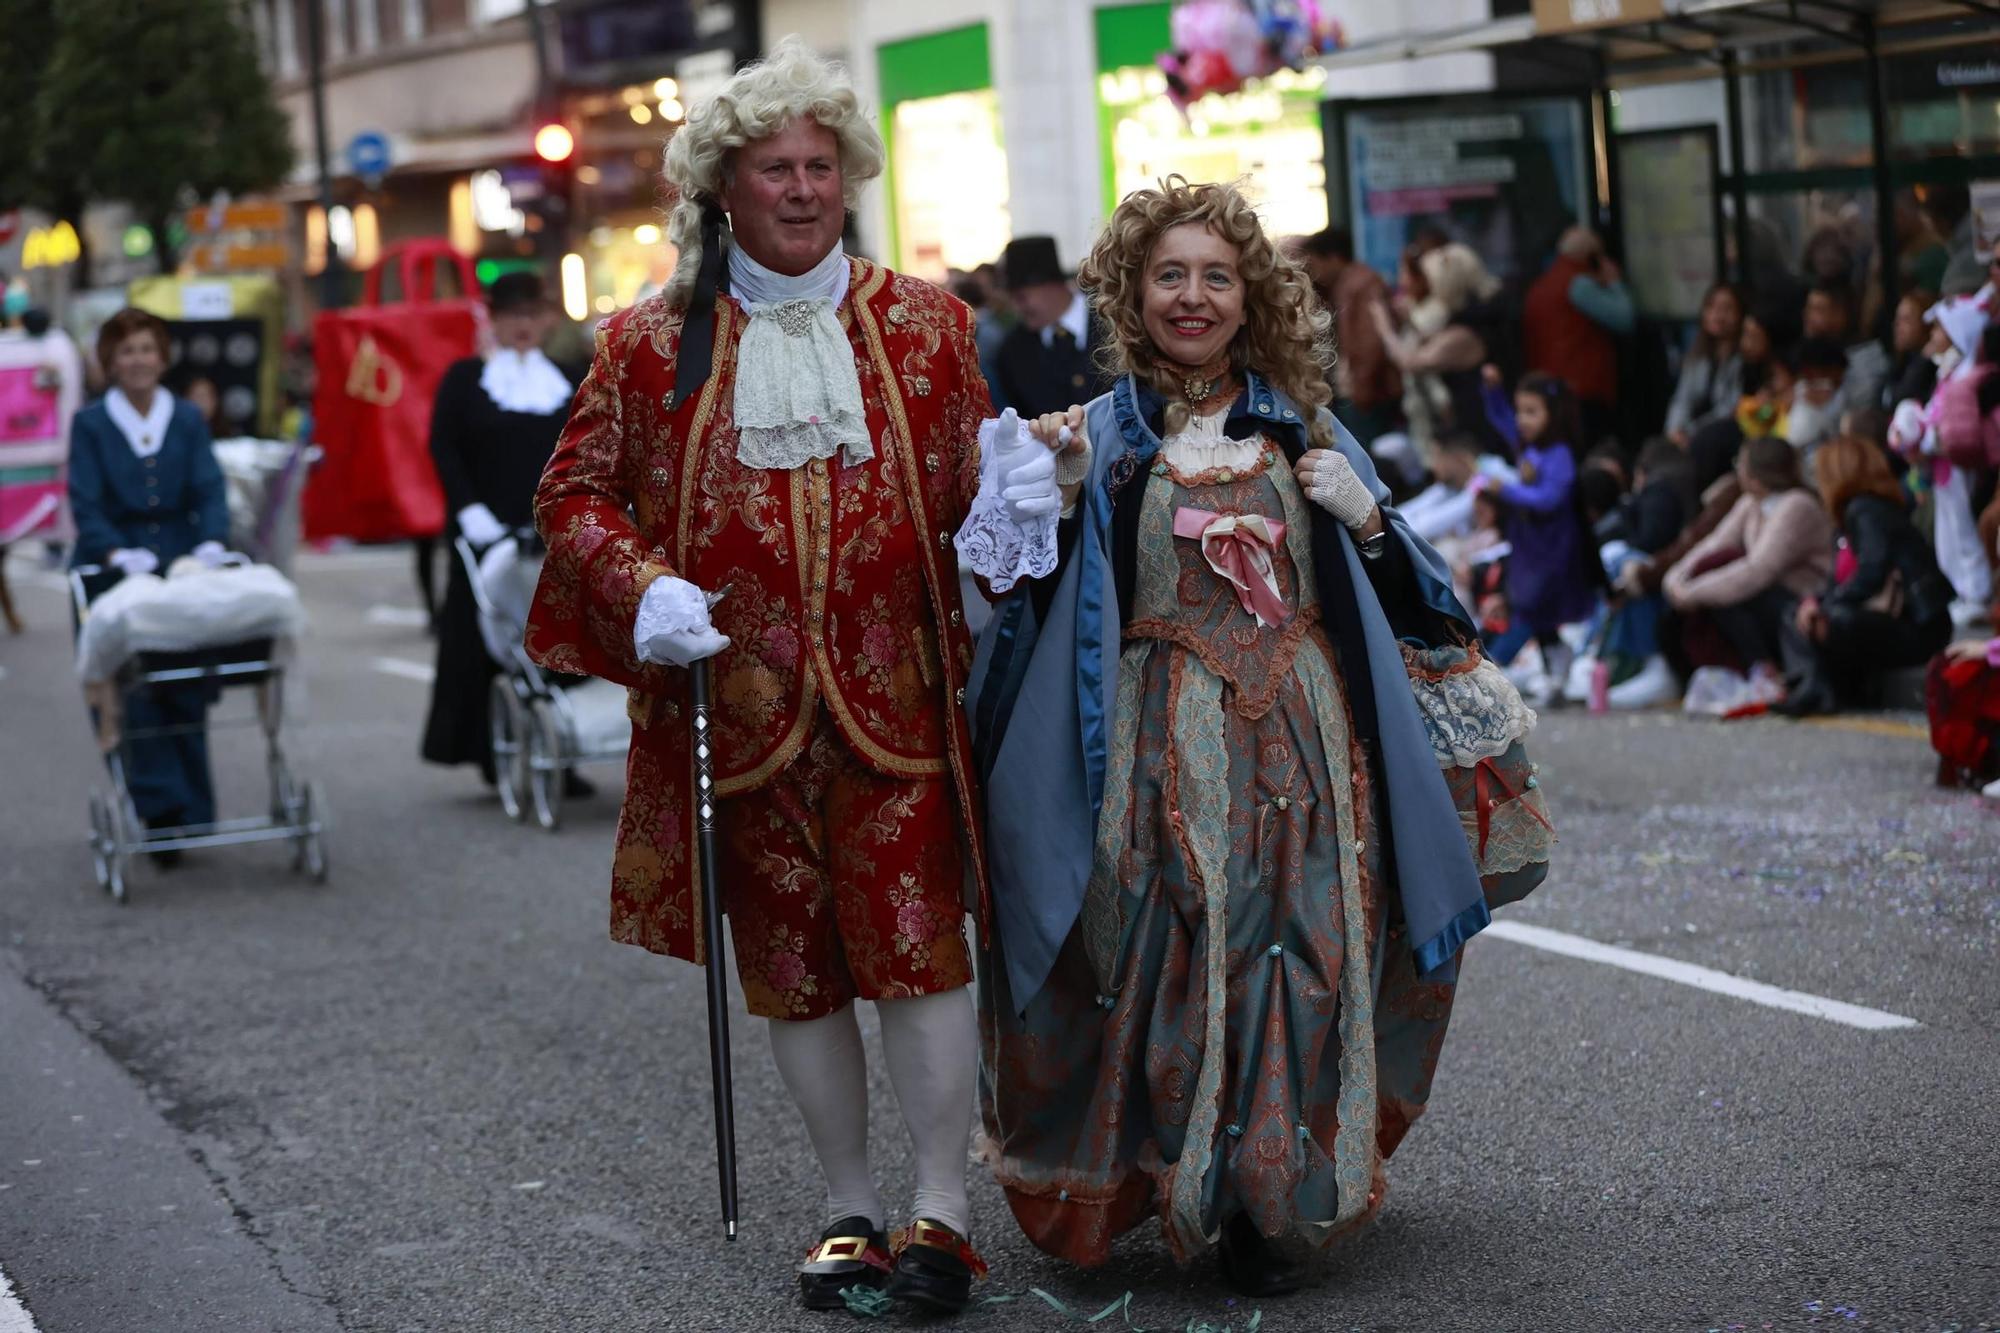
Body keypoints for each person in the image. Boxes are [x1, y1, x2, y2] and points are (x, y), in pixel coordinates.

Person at [969, 177, 1516, 1297]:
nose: (1192, 295)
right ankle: (1186, 1178)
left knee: (1303, 952)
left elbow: (1424, 598)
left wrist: (1364, 518)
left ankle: (1273, 1204)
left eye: (1214, 275)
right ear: (1131, 290)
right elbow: (1031, 610)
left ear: (1248, 294)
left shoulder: (1301, 424)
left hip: (1304, 742)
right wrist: (1061, 502)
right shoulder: (1104, 433)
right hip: (1153, 739)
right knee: (1164, 949)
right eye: (1168, 273)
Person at [522, 40, 998, 1316]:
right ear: (721, 192)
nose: (799, 189)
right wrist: (641, 586)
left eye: (820, 167)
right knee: (793, 969)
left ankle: (941, 1208)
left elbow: (971, 506)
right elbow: (570, 494)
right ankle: (848, 1202)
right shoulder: (646, 343)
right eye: (773, 169)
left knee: (920, 956)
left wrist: (1017, 517)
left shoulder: (930, 326)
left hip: (901, 709)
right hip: (737, 719)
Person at [66, 307, 231, 857]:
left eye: (146, 349)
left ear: (162, 357)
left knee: (186, 683)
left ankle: (197, 810)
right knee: (135, 686)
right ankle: (160, 812)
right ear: (109, 362)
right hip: (116, 564)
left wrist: (211, 541)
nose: (137, 361)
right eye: (125, 351)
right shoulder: (90, 423)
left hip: (183, 559)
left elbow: (209, 487)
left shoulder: (185, 417)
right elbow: (85, 502)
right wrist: (114, 550)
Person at [419, 271, 583, 790]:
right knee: (481, 634)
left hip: (552, 529)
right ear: (494, 319)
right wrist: (469, 512)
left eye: (532, 314)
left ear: (549, 319)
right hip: (485, 526)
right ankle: (487, 748)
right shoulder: (466, 379)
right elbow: (443, 447)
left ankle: (565, 751)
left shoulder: (571, 376)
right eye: (512, 315)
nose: (523, 325)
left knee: (562, 634)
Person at [1776, 434, 1953, 716]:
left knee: (1831, 617)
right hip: (1878, 618)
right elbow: (1839, 583)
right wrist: (1815, 603)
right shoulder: (1845, 520)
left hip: (1915, 626)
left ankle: (1817, 689)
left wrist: (1824, 607)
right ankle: (1810, 685)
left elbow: (1872, 572)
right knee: (1794, 610)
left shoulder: (1868, 510)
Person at [1663, 436, 1835, 712]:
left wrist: (1692, 592)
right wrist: (1676, 578)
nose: (1737, 471)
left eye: (1739, 465)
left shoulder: (1796, 505)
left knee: (1731, 587)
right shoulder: (1752, 503)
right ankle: (1750, 669)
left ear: (1756, 476)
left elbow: (1759, 570)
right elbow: (1712, 545)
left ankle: (1767, 672)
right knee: (1718, 574)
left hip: (1805, 601)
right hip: (1772, 598)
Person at [1481, 366, 1602, 700]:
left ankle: (1500, 665)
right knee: (1533, 608)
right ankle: (1555, 661)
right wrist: (1493, 392)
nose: (1522, 420)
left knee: (1530, 605)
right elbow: (1502, 420)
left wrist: (1505, 489)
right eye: (1521, 411)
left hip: (1553, 547)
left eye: (1532, 412)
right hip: (1530, 545)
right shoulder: (1527, 446)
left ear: (1553, 413)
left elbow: (1549, 499)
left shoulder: (1559, 454)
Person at [1522, 226, 1633, 448]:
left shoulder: (1543, 283)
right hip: (1583, 388)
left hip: (1553, 383)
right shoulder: (1578, 284)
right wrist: (1614, 283)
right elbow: (1624, 319)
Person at [1294, 225, 1400, 446]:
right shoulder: (1348, 285)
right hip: (1363, 389)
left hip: (1367, 393)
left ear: (1334, 258)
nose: (1315, 271)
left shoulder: (1359, 285)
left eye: (1317, 263)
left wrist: (1360, 390)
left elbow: (1370, 343)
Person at [993, 234, 1114, 418]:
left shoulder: (1113, 321)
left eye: (1021, 297)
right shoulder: (1012, 352)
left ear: (1052, 286)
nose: (1017, 308)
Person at [1665, 282, 1744, 446]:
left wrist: (1691, 434)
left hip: (1718, 440)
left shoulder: (1743, 359)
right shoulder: (1697, 355)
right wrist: (1675, 429)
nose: (1718, 315)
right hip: (1688, 436)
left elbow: (1729, 409)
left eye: (1727, 308)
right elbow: (1682, 399)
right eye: (1712, 307)